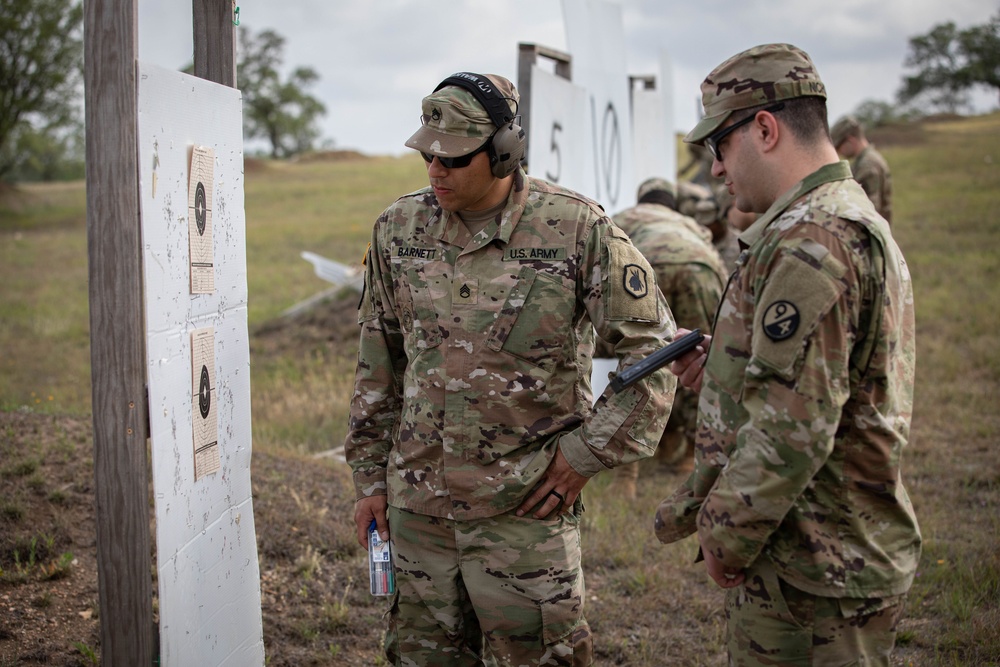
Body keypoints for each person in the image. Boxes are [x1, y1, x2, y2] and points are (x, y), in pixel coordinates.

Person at [346, 71, 676, 665]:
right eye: (427, 155)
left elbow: (654, 354)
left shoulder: (576, 230)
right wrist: (371, 481)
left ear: (503, 152)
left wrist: (583, 456)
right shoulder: (399, 230)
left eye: (452, 157)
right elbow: (378, 362)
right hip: (419, 516)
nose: (434, 171)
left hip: (525, 516)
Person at [654, 44, 920, 665]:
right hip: (815, 550)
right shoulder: (828, 220)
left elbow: (793, 429)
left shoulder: (813, 240)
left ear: (765, 130)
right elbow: (821, 378)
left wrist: (726, 533)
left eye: (718, 146)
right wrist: (725, 366)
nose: (715, 170)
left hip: (816, 569)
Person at [604, 178, 727, 498]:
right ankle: (691, 458)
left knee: (639, 362)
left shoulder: (626, 216)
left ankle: (626, 475)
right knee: (698, 358)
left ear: (641, 198)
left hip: (646, 268)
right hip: (700, 270)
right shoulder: (688, 224)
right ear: (671, 203)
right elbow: (715, 260)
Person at [830, 114, 894, 224]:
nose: (839, 152)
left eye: (839, 146)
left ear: (850, 140)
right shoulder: (863, 161)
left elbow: (870, 210)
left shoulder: (868, 165)